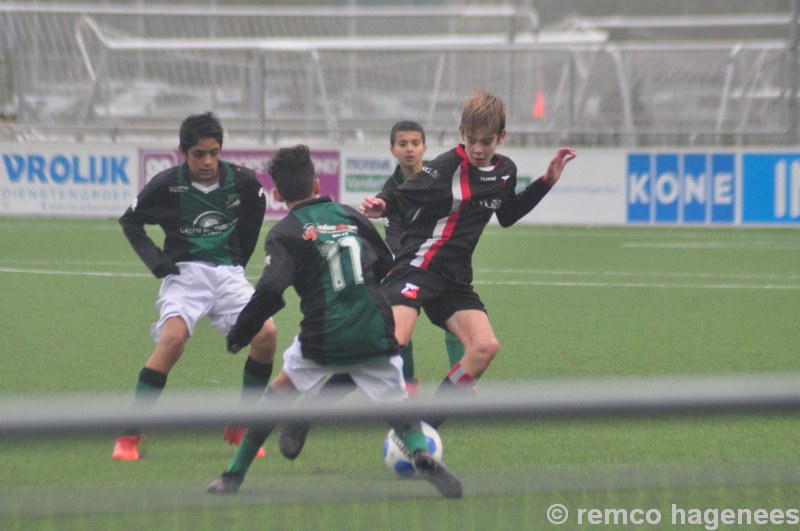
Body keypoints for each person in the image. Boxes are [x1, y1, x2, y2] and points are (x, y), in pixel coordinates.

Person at [206, 144, 462, 498]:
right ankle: (420, 452)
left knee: (275, 398)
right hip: (375, 328)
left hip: (323, 335)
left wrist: (240, 333)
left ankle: (232, 475)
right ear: (316, 184)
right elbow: (386, 264)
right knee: (400, 412)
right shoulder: (349, 215)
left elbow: (270, 289)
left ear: (278, 195)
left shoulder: (283, 233)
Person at [360, 91, 576, 426]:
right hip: (417, 267)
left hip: (455, 280)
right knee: (393, 341)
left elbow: (508, 214)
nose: (478, 149)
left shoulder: (506, 171)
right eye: (471, 140)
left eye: (486, 142)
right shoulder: (446, 167)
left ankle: (429, 425)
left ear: (501, 137)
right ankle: (323, 402)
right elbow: (404, 195)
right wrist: (382, 206)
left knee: (485, 347)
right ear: (462, 132)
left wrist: (547, 181)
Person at [274, 120, 468, 461]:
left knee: (463, 324)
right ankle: (402, 388)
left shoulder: (441, 180)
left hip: (440, 269)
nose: (409, 149)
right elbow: (393, 241)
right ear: (393, 149)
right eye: (402, 143)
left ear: (425, 147)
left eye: (415, 143)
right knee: (388, 341)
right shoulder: (391, 192)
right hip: (408, 270)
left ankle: (452, 387)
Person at [113, 112, 277, 461]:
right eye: (199, 154)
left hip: (228, 275)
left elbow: (256, 210)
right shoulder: (166, 184)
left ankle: (241, 426)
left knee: (267, 334)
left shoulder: (244, 182)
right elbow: (131, 220)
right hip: (185, 275)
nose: (207, 161)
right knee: (173, 340)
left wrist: (238, 260)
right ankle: (128, 435)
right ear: (182, 152)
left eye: (214, 152)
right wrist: (157, 261)